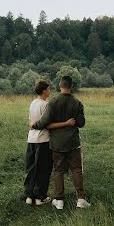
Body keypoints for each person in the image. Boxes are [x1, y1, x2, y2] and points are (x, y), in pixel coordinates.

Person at [32, 75, 90, 210]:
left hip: (57, 143)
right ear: (71, 87)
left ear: (60, 86)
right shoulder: (77, 103)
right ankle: (81, 199)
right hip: (73, 143)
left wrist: (34, 125)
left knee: (58, 170)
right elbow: (81, 123)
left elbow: (44, 122)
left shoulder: (52, 102)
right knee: (76, 170)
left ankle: (59, 200)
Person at [25, 79, 73, 206]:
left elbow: (30, 122)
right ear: (44, 91)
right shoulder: (45, 105)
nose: (50, 91)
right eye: (48, 89)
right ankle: (40, 197)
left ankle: (29, 196)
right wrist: (66, 123)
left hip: (31, 139)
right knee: (44, 169)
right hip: (43, 140)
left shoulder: (33, 103)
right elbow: (48, 125)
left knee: (31, 168)